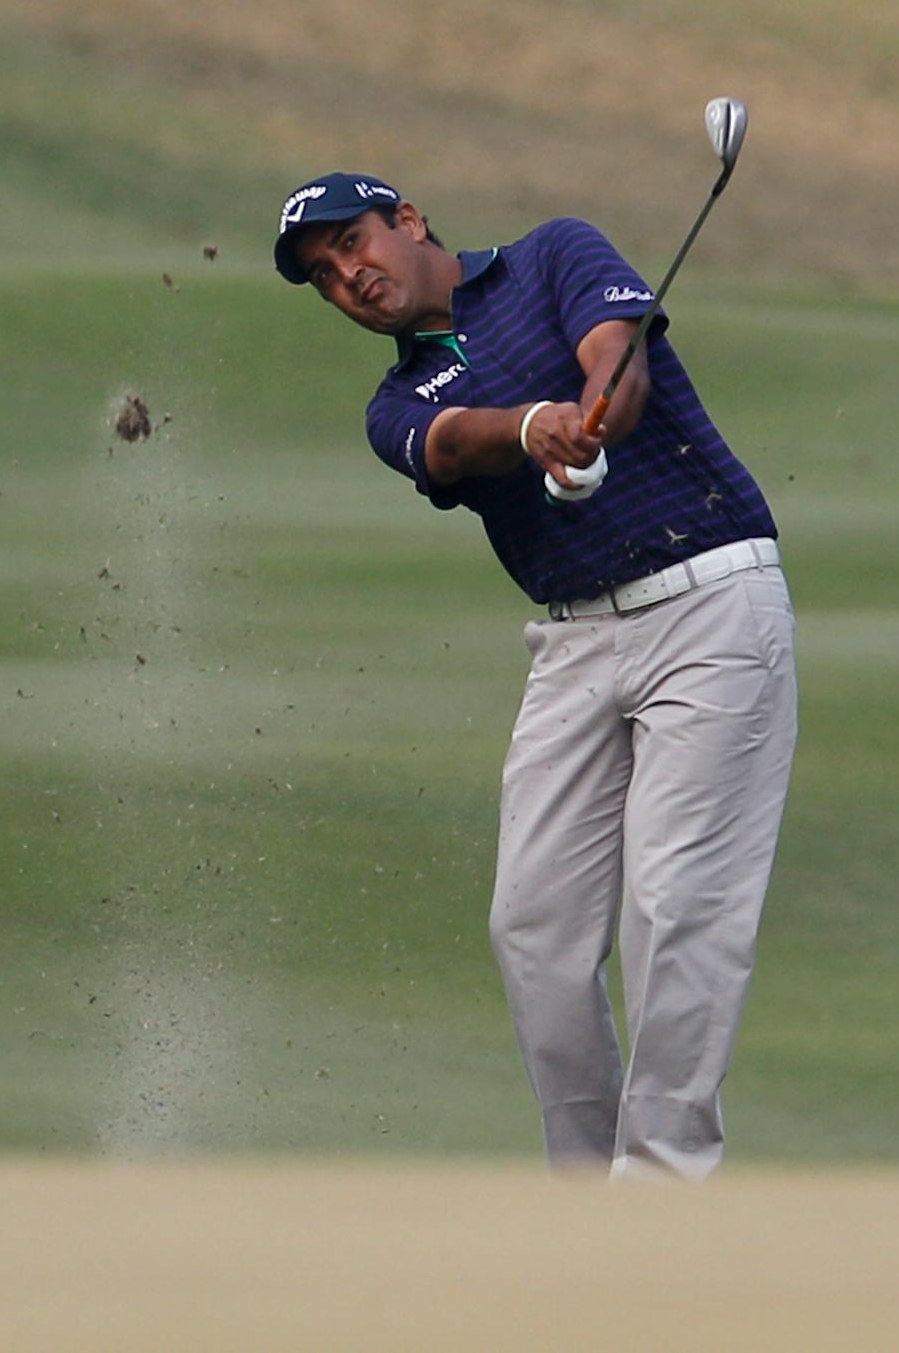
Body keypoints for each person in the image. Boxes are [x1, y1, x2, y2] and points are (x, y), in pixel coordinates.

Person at [272, 173, 797, 1180]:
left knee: (676, 905)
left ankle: (658, 1193)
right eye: (326, 276)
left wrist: (591, 408)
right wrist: (532, 427)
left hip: (711, 606)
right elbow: (453, 443)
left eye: (355, 243)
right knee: (534, 929)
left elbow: (621, 363)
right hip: (571, 642)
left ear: (410, 220)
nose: (350, 276)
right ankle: (581, 1196)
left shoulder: (553, 254)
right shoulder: (393, 405)